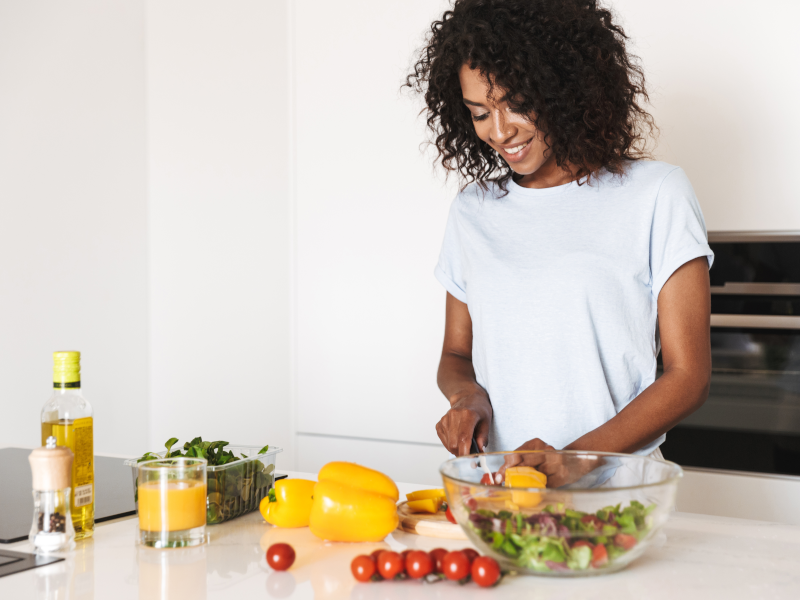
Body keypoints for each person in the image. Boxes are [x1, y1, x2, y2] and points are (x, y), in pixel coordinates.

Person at [406, 0, 713, 478]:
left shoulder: (655, 194)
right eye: (480, 112)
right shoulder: (474, 211)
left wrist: (574, 459)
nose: (501, 130)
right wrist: (467, 398)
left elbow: (688, 377)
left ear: (565, 89)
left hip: (620, 492)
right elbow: (456, 354)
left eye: (518, 103)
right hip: (508, 488)